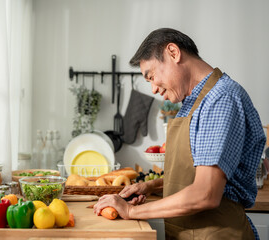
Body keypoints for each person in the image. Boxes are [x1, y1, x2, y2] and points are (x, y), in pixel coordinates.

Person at [93, 28, 266, 239]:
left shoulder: (220, 100)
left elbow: (206, 193)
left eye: (151, 76)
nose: (154, 89)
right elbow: (196, 175)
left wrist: (131, 211)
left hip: (215, 232)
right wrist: (150, 186)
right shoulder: (193, 103)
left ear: (173, 53)